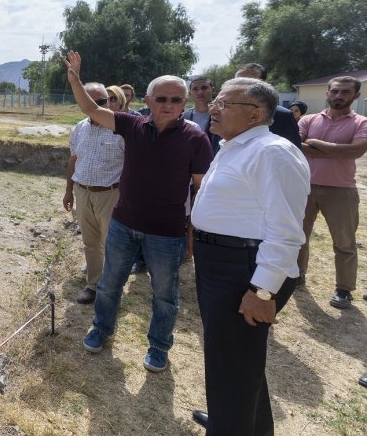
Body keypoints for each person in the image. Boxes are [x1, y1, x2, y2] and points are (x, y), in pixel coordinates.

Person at [64, 51, 213, 372]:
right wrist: (75, 78)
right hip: (123, 224)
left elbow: (202, 190)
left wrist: (193, 234)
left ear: (185, 102)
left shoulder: (196, 139)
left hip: (167, 232)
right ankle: (102, 329)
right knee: (109, 285)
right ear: (148, 99)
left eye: (176, 98)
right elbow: (90, 108)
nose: (168, 104)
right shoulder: (132, 126)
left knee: (164, 296)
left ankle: (159, 346)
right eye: (161, 98)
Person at [189, 77, 309, 435]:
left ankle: (230, 423)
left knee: (232, 365)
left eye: (224, 104)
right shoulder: (235, 146)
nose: (213, 108)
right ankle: (243, 422)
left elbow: (286, 230)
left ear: (255, 114)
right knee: (237, 361)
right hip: (222, 264)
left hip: (244, 269)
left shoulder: (272, 152)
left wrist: (263, 291)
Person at [297, 76, 367, 307]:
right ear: (328, 93)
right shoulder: (309, 119)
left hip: (341, 190)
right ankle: (297, 275)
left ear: (355, 96)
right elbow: (297, 145)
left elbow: (356, 151)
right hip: (304, 187)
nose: (339, 96)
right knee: (298, 236)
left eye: (345, 92)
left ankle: (344, 289)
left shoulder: (361, 123)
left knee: (344, 242)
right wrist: (339, 150)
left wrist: (315, 143)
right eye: (335, 91)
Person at [64, 83, 125, 304]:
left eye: (100, 102)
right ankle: (94, 285)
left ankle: (112, 289)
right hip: (83, 192)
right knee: (90, 242)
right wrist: (69, 190)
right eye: (89, 102)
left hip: (111, 194)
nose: (94, 106)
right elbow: (73, 160)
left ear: (109, 102)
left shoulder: (121, 129)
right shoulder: (79, 127)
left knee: (112, 245)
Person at [234, 63, 301, 148]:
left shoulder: (282, 116)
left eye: (248, 83)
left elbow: (293, 152)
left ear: (262, 85)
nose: (241, 87)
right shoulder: (222, 113)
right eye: (237, 82)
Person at [183, 74, 221, 155]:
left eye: (204, 88)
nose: (200, 92)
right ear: (190, 93)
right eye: (195, 89)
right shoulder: (184, 117)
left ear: (213, 90)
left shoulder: (222, 115)